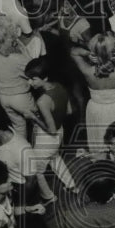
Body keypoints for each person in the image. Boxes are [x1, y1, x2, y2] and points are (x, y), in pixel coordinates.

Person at [71, 33, 115, 155]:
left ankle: (103, 166)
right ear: (113, 52)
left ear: (94, 53)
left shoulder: (88, 72)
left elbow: (74, 52)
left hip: (96, 109)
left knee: (100, 143)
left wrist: (87, 54)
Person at [23, 56, 76, 203]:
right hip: (60, 133)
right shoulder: (59, 86)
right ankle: (72, 185)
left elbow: (51, 130)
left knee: (36, 170)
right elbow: (69, 111)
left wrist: (33, 118)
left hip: (48, 137)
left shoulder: (42, 101)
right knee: (55, 158)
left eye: (33, 79)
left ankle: (49, 197)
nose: (29, 82)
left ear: (44, 78)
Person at [0, 18, 39, 138]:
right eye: (12, 36)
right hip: (21, 97)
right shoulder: (17, 59)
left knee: (19, 128)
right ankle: (38, 153)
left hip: (4, 98)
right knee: (38, 124)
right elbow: (34, 70)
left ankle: (22, 152)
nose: (15, 39)